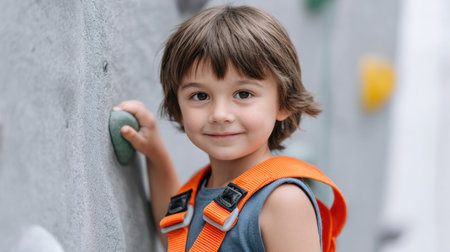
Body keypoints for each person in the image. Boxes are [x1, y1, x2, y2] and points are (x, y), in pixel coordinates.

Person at [114, 5, 345, 251]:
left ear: (284, 102)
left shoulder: (283, 202)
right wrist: (155, 153)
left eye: (243, 94)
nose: (220, 114)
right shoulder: (201, 190)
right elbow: (174, 235)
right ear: (178, 104)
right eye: (200, 96)